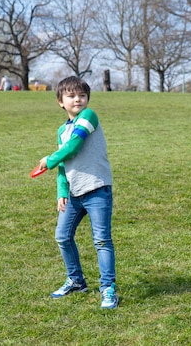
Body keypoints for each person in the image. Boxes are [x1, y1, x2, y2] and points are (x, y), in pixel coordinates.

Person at [38, 76, 118, 309]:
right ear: (60, 102)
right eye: (71, 96)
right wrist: (61, 191)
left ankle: (108, 288)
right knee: (62, 236)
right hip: (73, 194)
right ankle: (76, 280)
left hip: (97, 189)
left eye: (82, 95)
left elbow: (74, 146)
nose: (78, 99)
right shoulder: (61, 130)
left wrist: (48, 160)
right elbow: (64, 164)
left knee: (102, 240)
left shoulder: (89, 117)